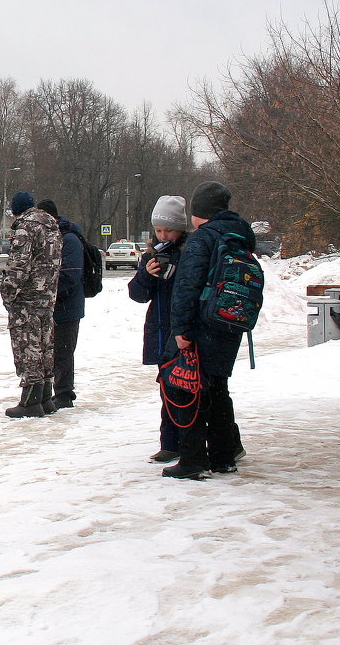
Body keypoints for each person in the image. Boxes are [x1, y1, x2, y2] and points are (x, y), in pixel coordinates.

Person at [165, 181, 251, 479]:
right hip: (231, 320)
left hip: (203, 323)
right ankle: (223, 455)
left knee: (189, 386)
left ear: (199, 210)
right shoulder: (240, 233)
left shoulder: (203, 238)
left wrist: (181, 328)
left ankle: (192, 461)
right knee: (217, 388)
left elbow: (187, 285)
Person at [128, 195, 189, 463]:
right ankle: (170, 442)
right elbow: (137, 295)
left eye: (169, 230)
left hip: (181, 331)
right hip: (160, 331)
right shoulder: (151, 255)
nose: (163, 235)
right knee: (167, 388)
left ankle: (189, 442)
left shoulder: (189, 253)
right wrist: (146, 274)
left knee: (187, 388)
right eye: (159, 230)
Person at [1, 191, 62, 418]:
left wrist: (7, 292)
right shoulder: (51, 226)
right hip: (47, 296)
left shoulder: (26, 227)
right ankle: (45, 397)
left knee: (28, 347)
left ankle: (30, 401)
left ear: (16, 210)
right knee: (45, 344)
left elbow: (19, 264)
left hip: (26, 299)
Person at [35, 199, 84, 409]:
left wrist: (45, 291)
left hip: (67, 306)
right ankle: (55, 393)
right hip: (52, 306)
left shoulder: (70, 239)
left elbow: (70, 275)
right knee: (51, 352)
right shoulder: (49, 237)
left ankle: (64, 394)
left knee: (63, 352)